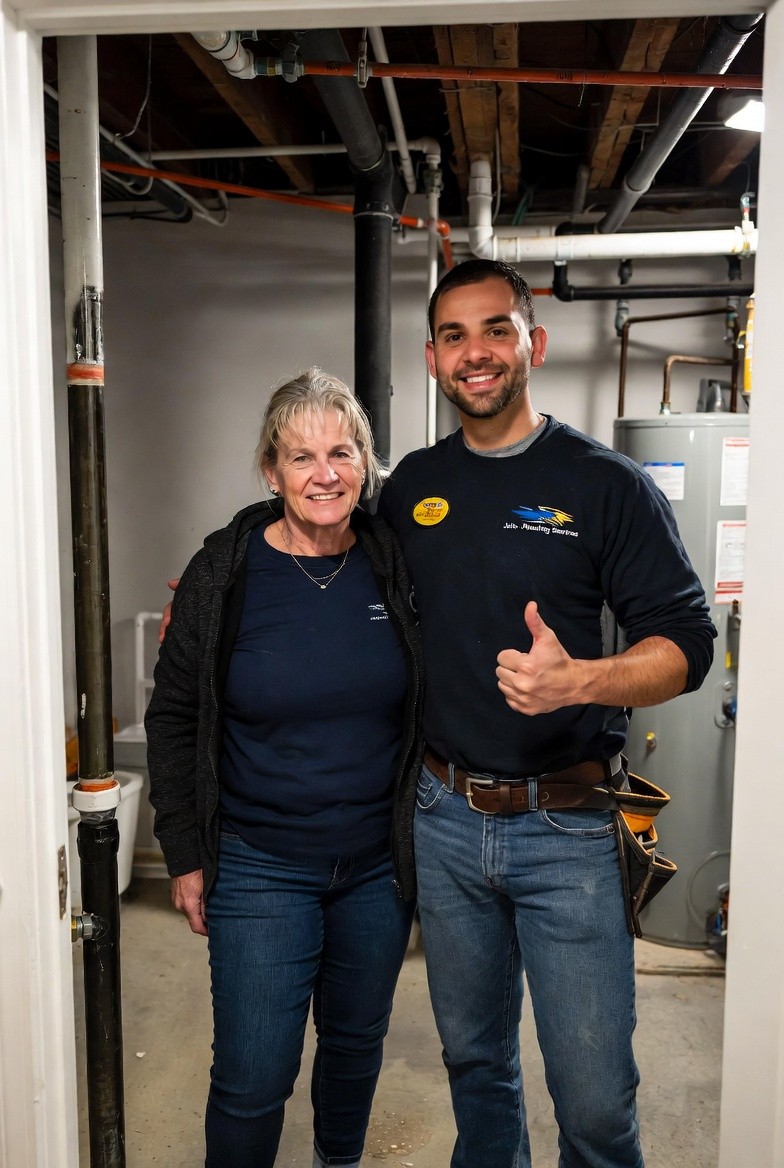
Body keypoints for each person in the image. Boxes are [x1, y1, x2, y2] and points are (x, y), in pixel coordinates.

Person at [376, 258, 716, 1168]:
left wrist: (581, 681)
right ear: (432, 357)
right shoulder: (411, 487)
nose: (476, 352)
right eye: (454, 336)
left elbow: (688, 644)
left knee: (596, 1102)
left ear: (534, 343)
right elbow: (348, 590)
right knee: (475, 1065)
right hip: (445, 819)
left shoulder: (605, 484)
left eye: (497, 329)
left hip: (568, 831)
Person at [145, 369, 423, 1168]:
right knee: (253, 1075)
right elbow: (173, 718)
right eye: (302, 456)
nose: (324, 474)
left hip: (376, 867)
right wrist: (185, 853)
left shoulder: (395, 563)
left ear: (366, 465)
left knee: (354, 1048)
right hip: (259, 865)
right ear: (271, 471)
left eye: (342, 453)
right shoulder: (222, 573)